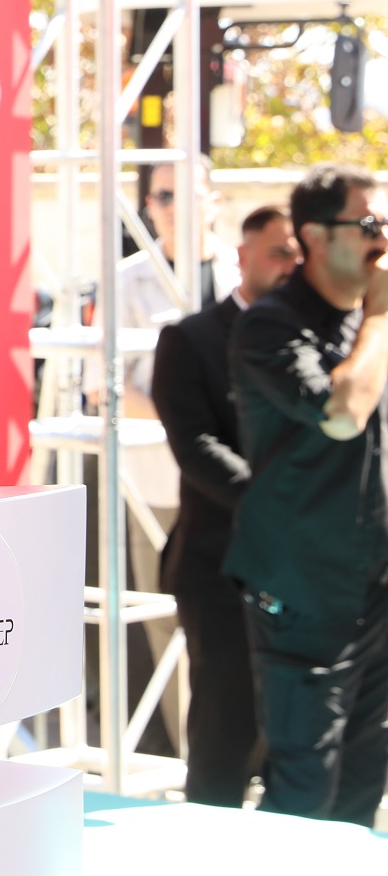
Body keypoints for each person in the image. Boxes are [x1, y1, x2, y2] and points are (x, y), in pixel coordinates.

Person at [225, 162, 388, 825]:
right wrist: (381, 315)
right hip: (304, 589)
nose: (382, 239)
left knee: (364, 781)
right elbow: (343, 413)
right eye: (369, 223)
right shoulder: (272, 324)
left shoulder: (367, 326)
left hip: (374, 586)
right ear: (316, 236)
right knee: (303, 788)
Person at [151, 204, 298, 807]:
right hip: (221, 570)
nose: (290, 266)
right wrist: (285, 507)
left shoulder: (323, 340)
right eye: (278, 252)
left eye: (299, 255)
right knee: (225, 730)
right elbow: (197, 449)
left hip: (307, 575)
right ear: (242, 256)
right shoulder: (191, 339)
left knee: (297, 739)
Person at [115, 159, 239, 416]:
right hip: (152, 437)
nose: (174, 207)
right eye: (164, 197)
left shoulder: (242, 273)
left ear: (214, 203)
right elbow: (102, 382)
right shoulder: (125, 279)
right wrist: (182, 427)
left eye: (188, 195)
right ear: (150, 206)